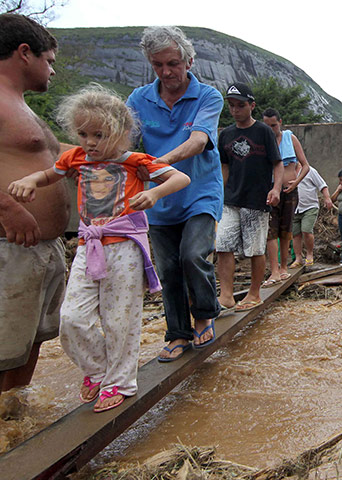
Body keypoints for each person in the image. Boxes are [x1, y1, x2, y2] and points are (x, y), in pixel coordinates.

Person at [8, 85, 190, 412]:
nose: (89, 142)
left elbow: (179, 179)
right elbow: (51, 174)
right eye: (82, 134)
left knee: (120, 318)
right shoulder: (76, 158)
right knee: (72, 317)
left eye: (99, 134)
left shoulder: (136, 162)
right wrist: (31, 181)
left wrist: (154, 194)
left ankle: (120, 382)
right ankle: (96, 369)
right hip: (87, 245)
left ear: (120, 133)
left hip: (124, 249)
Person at [126, 26, 224, 362]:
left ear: (188, 61)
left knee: (193, 255)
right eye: (158, 65)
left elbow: (198, 141)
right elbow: (124, 143)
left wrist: (158, 163)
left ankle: (206, 313)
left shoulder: (209, 96)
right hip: (159, 198)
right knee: (167, 269)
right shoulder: (139, 100)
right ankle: (178, 333)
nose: (166, 72)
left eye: (173, 63)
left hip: (200, 192)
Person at [0, 14, 70, 392]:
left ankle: (12, 427)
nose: (52, 72)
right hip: (8, 248)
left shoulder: (20, 105)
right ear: (24, 53)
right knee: (2, 347)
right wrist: (7, 207)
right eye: (50, 61)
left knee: (31, 343)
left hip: (43, 249)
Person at [216, 82, 283, 311]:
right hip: (231, 199)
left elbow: (278, 164)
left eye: (241, 105)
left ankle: (254, 294)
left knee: (255, 248)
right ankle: (226, 295)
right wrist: (219, 192)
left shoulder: (263, 131)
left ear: (252, 105)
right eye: (232, 106)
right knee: (223, 244)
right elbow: (224, 167)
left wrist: (275, 189)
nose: (236, 110)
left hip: (256, 199)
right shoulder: (225, 134)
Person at [261, 108, 309, 286]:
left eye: (274, 125)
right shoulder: (262, 141)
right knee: (270, 230)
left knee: (285, 229)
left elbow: (305, 166)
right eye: (267, 126)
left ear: (280, 122)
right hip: (269, 190)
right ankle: (273, 270)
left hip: (289, 191)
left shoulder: (290, 138)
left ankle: (283, 268)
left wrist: (295, 182)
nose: (271, 129)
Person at [289, 163, 332, 268]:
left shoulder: (310, 171)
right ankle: (298, 258)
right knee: (295, 234)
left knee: (306, 230)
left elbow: (322, 185)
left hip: (309, 206)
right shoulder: (288, 172)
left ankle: (309, 254)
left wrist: (327, 198)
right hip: (294, 208)